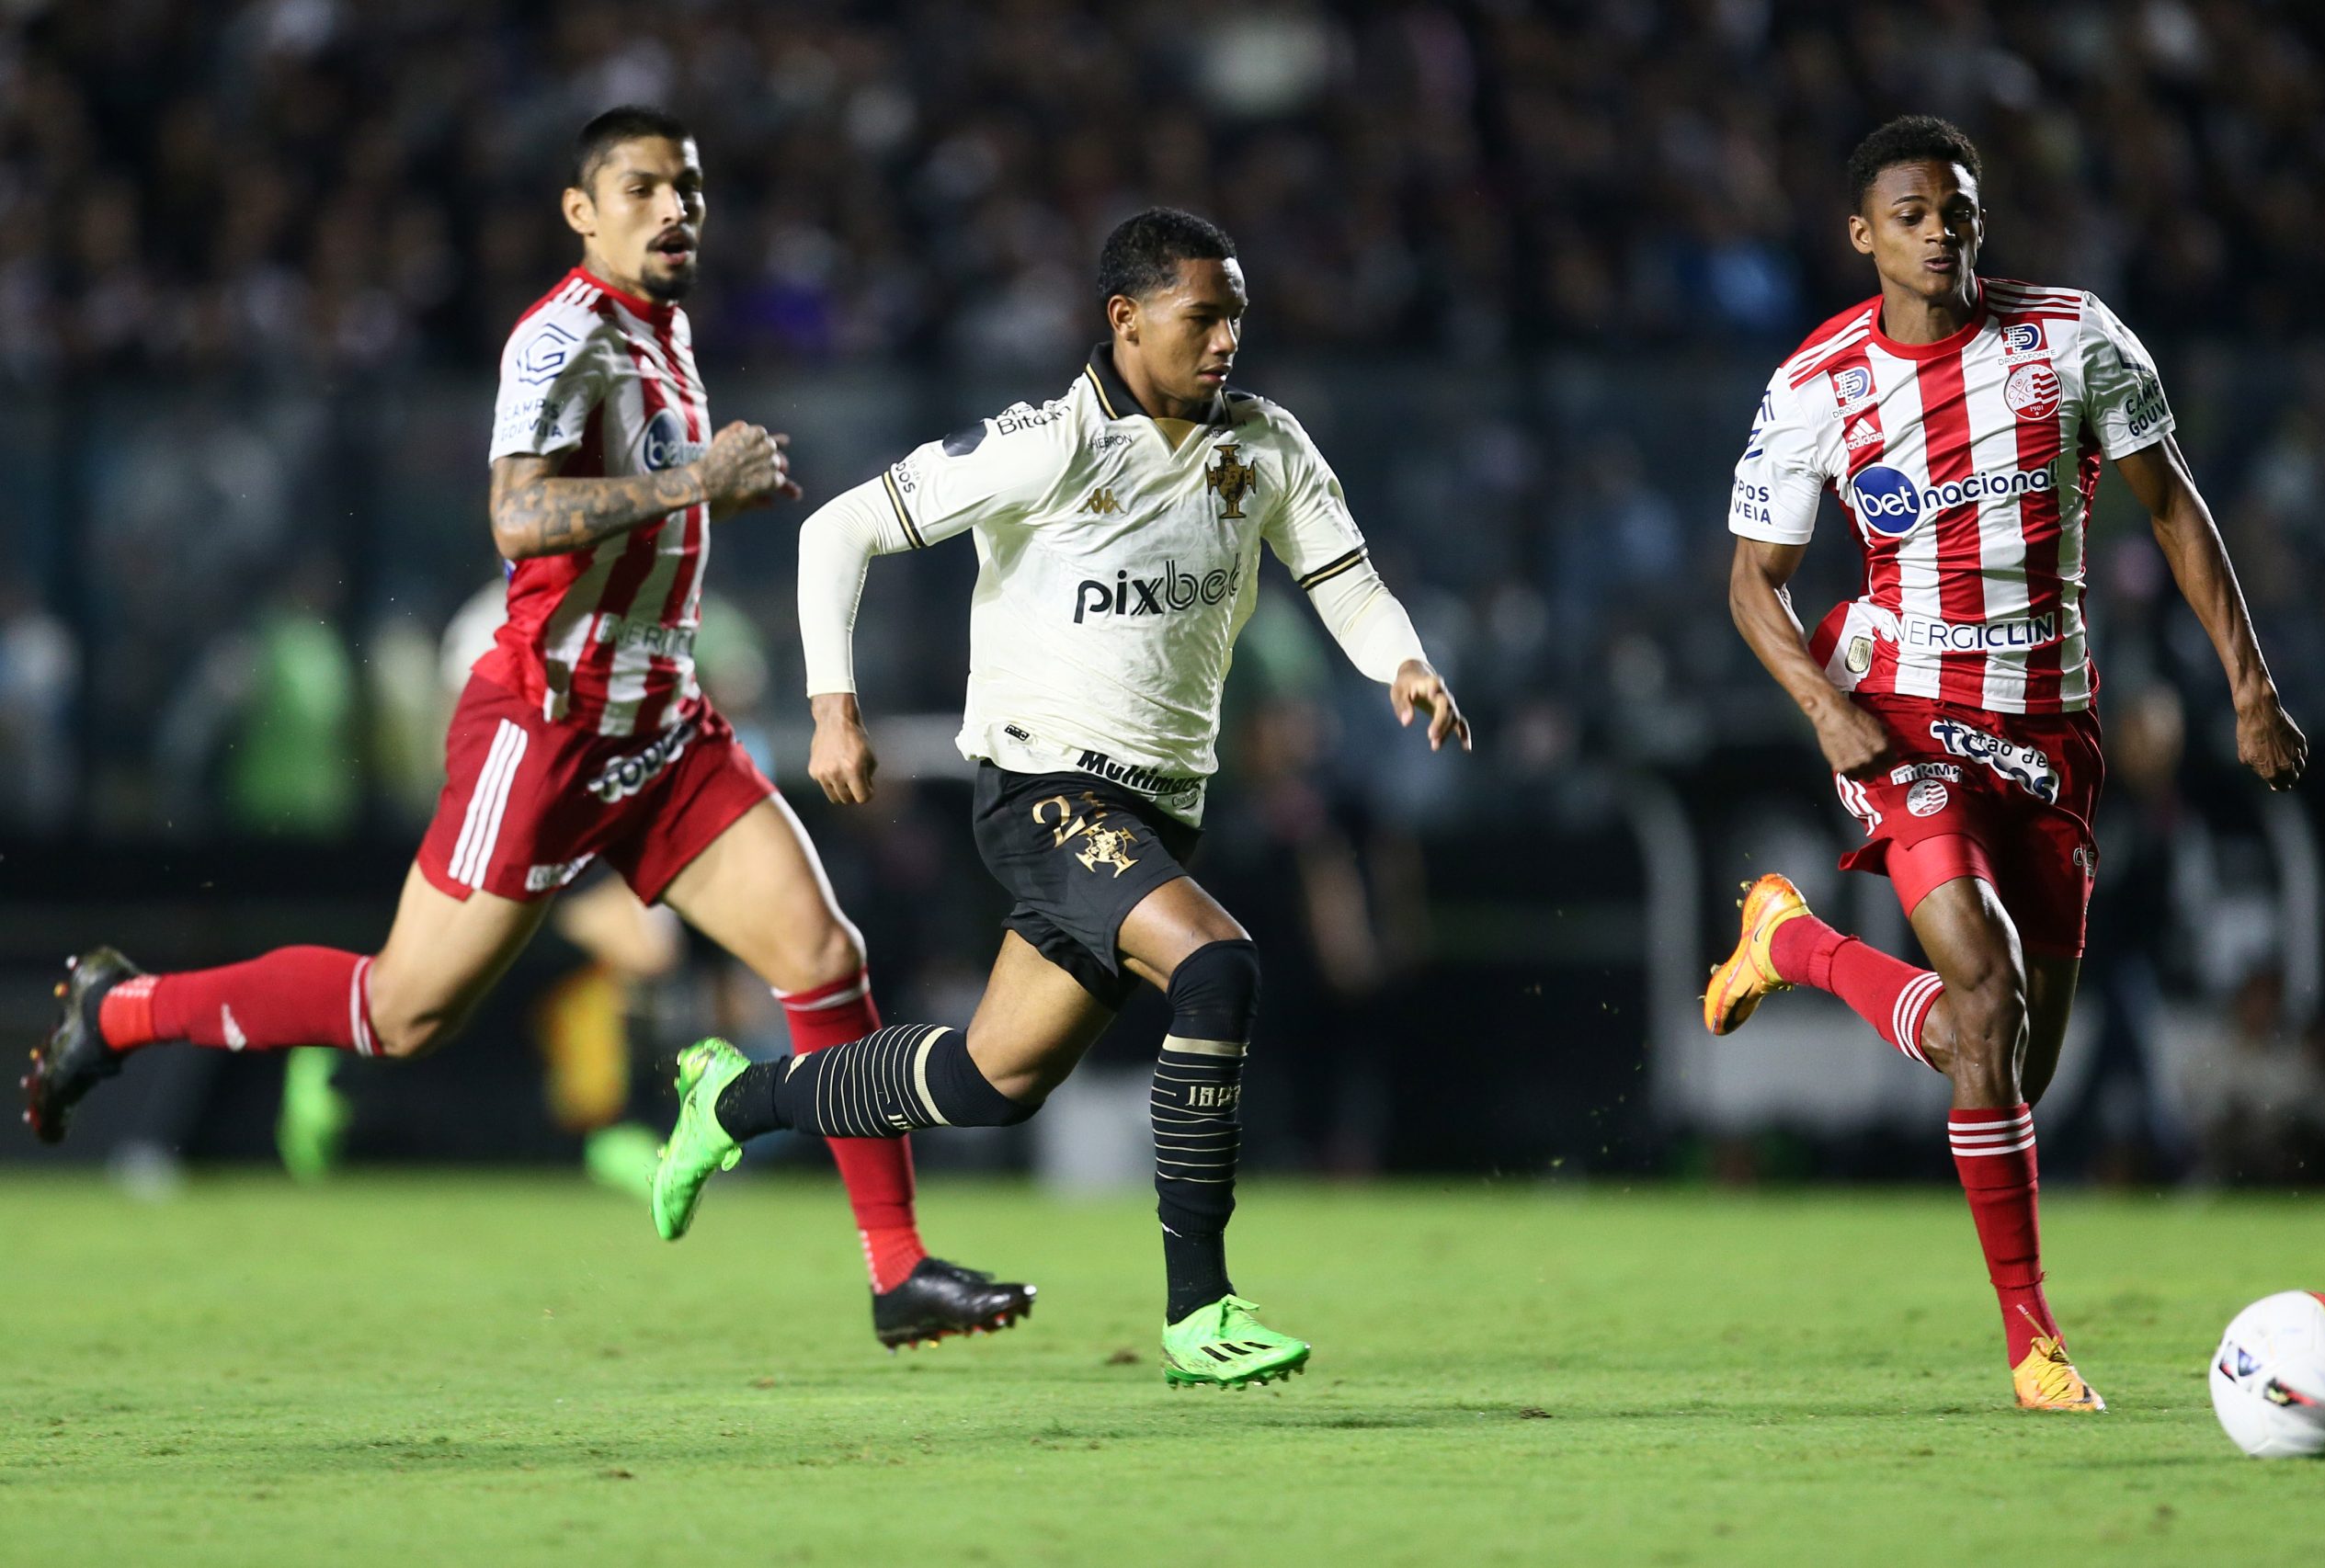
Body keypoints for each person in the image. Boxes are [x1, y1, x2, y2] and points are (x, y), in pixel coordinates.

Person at [22, 105, 1031, 1350]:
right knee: (402, 1011)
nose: (674, 209)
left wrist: (702, 503)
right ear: (581, 211)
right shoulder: (561, 337)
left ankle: (896, 1268)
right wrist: (694, 480)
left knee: (823, 954)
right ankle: (121, 1010)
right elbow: (517, 516)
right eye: (642, 188)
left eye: (687, 188)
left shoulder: (665, 330)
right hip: (547, 724)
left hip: (662, 721)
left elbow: (629, 511)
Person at [646, 209, 1471, 1387]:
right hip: (1046, 791)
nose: (1226, 339)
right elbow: (838, 529)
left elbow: (1345, 579)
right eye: (1202, 317)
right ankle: (1201, 1307)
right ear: (1125, 319)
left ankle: (734, 1098)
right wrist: (834, 706)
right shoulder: (1046, 443)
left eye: (1236, 317)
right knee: (1217, 964)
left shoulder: (1265, 444)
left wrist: (1403, 661)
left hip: (1159, 810)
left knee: (990, 1081)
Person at [1705, 116, 2308, 1411]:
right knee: (1980, 988)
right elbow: (1754, 582)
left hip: (2047, 727)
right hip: (1899, 707)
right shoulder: (1818, 382)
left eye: (1957, 211)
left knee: (2013, 1064)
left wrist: (2249, 685)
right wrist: (1823, 707)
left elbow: (2172, 505)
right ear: (1862, 234)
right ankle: (2035, 1343)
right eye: (1911, 215)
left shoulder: (2073, 337)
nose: (1940, 233)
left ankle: (1793, 942)